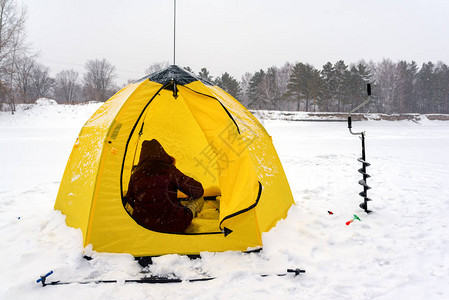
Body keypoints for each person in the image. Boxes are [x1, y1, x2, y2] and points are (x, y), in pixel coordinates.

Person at [126, 139, 204, 233]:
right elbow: (198, 191)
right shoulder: (169, 170)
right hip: (173, 225)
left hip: (143, 226)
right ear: (162, 152)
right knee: (199, 199)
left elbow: (130, 199)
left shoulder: (136, 174)